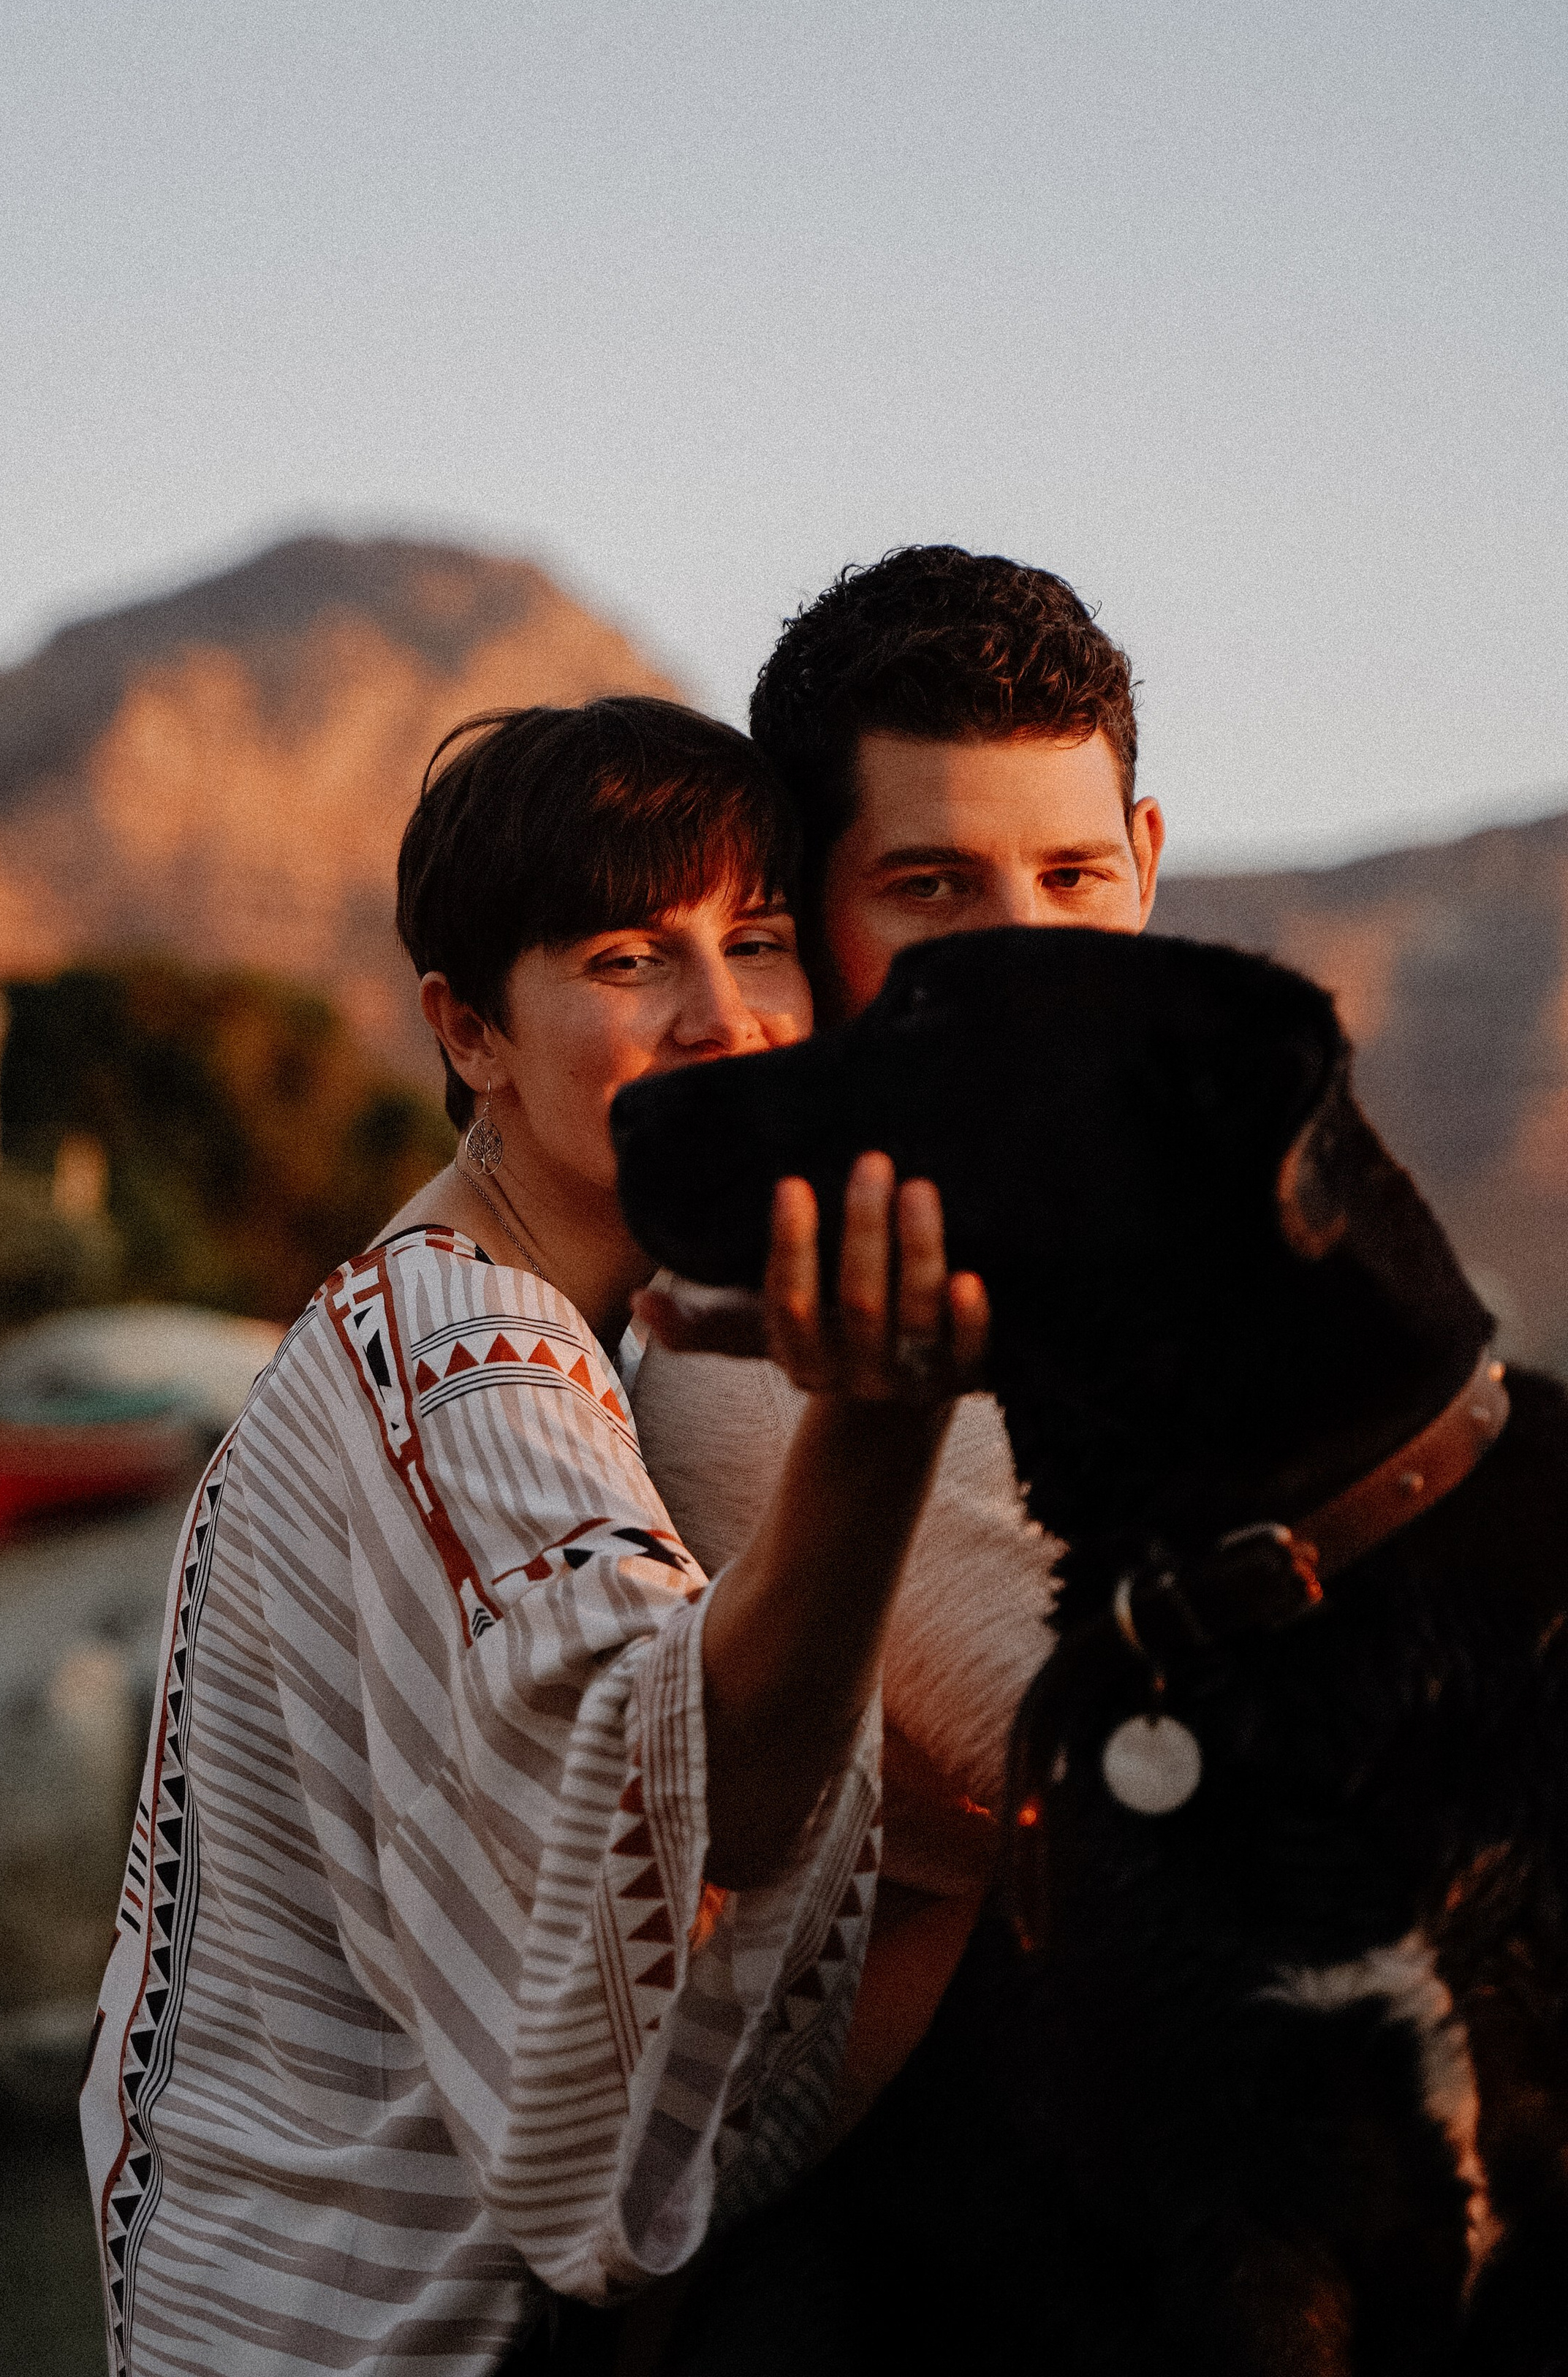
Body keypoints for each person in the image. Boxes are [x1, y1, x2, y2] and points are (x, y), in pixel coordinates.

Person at [81, 695, 989, 2377]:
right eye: (628, 959)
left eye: (761, 941)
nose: (725, 1020)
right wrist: (880, 1425)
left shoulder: (496, 1318)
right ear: (469, 1030)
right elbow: (681, 1787)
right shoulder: (462, 1369)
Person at [632, 545, 1164, 2114]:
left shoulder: (1148, 1243)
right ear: (806, 913)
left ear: (1145, 860)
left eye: (1071, 876)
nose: (1027, 962)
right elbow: (1242, 1792)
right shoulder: (771, 1369)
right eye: (932, 888)